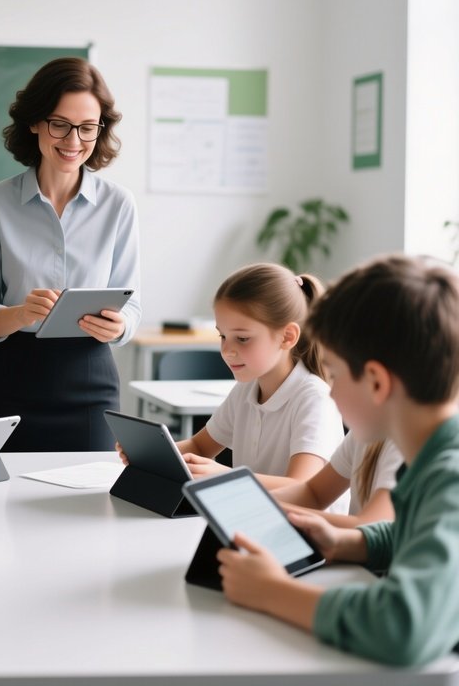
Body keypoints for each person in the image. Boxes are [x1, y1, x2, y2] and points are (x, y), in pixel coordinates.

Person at [216, 254, 459, 666]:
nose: (329, 392)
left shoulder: (449, 477)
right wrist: (349, 542)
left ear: (377, 382)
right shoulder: (433, 456)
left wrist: (272, 591)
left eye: (335, 374)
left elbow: (403, 630)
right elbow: (416, 536)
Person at [0, 57, 141, 452]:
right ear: (35, 122)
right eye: (60, 124)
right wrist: (20, 314)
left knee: (90, 505)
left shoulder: (118, 204)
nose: (74, 141)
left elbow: (132, 308)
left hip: (91, 381)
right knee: (4, 501)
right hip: (13, 380)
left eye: (87, 128)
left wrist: (120, 326)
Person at [174, 263, 345, 489]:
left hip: (300, 524)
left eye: (242, 338)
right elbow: (199, 446)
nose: (226, 350)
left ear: (287, 337)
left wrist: (222, 476)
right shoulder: (247, 390)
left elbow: (300, 488)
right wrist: (152, 454)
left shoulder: (313, 399)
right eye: (222, 336)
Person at [272, 433, 402, 527]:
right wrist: (261, 500)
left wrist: (271, 509)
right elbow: (314, 493)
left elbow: (370, 527)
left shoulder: (404, 445)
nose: (332, 395)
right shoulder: (363, 432)